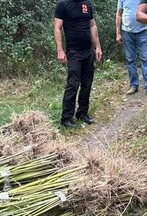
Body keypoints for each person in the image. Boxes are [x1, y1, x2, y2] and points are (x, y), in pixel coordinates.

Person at [55, 0, 103, 128]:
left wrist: (97, 47)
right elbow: (57, 27)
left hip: (88, 51)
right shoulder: (63, 4)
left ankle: (82, 113)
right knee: (73, 83)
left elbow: (92, 25)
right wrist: (60, 50)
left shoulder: (87, 3)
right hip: (74, 52)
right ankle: (66, 118)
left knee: (87, 84)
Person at [116, 0, 147, 95]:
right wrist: (118, 33)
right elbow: (119, 14)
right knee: (130, 60)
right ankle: (134, 85)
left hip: (143, 31)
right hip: (127, 32)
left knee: (146, 58)